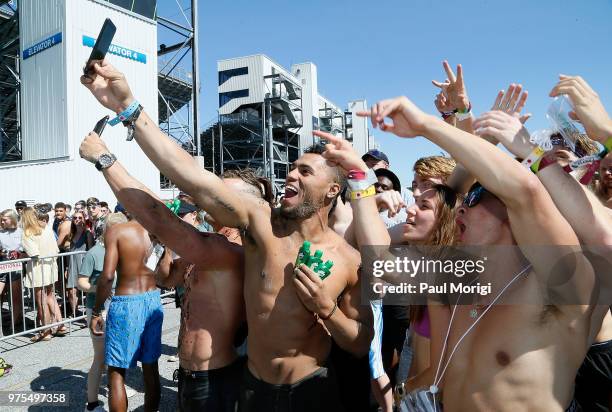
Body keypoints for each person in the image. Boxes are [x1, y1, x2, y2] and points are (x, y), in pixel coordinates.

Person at [81, 60, 372, 412]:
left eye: (305, 171)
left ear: (331, 191)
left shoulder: (349, 259)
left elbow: (359, 343)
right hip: (252, 390)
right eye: (292, 167)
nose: (291, 175)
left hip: (312, 391)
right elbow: (191, 176)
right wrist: (128, 107)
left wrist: (327, 310)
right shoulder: (262, 224)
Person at [358, 95, 598, 411]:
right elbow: (379, 262)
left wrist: (426, 125)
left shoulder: (562, 286)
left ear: (513, 213)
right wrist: (357, 183)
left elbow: (525, 192)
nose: (460, 210)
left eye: (474, 200)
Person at [473, 74, 612, 411]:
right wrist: (480, 138)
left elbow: (605, 241)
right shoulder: (523, 227)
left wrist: (606, 133)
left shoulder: (596, 221)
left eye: (562, 162)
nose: (550, 170)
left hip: (597, 359)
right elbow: (456, 198)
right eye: (541, 162)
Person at [89, 219, 162, 412]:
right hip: (153, 298)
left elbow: (107, 276)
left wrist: (96, 310)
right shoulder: (157, 228)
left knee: (116, 372)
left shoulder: (118, 231)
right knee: (150, 367)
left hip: (127, 302)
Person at [77, 212, 128, 412]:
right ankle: (92, 404)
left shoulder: (126, 250)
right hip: (98, 310)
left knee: (118, 355)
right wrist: (99, 288)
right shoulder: (95, 253)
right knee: (100, 356)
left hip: (121, 307)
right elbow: (81, 281)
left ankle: (115, 389)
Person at [21, 208, 65, 342]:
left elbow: (33, 254)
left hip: (38, 269)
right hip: (51, 265)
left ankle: (46, 331)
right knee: (51, 296)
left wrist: (22, 255)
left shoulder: (28, 232)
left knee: (41, 300)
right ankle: (60, 325)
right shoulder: (46, 228)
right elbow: (56, 248)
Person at [65, 211, 94, 318]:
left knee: (87, 289)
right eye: (75, 217)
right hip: (72, 265)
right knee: (72, 290)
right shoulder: (71, 234)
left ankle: (89, 312)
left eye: (80, 217)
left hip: (84, 265)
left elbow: (91, 251)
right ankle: (75, 313)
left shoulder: (88, 234)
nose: (77, 219)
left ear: (84, 219)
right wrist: (67, 268)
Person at [0, 209, 24, 330]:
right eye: (1, 219)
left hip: (16, 266)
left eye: (5, 220)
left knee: (15, 296)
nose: (2, 222)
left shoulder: (21, 232)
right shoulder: (0, 232)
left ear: (12, 219)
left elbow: (24, 249)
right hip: (2, 266)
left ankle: (14, 323)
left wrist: (18, 252)